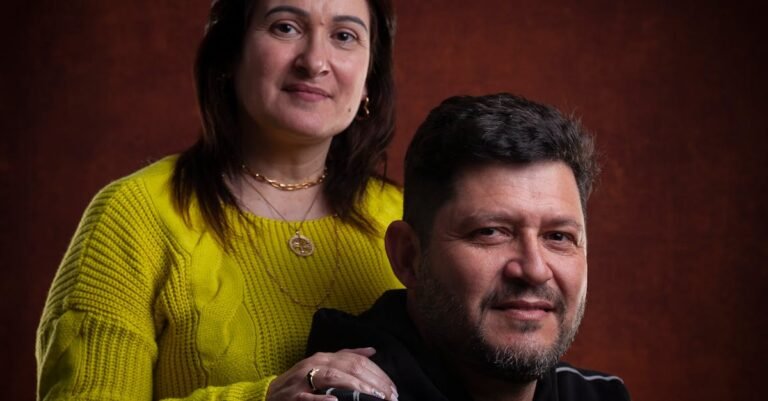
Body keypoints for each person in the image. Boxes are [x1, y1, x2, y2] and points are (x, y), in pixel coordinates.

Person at [36, 1, 403, 400]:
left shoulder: (403, 219)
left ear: (368, 78)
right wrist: (261, 398)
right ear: (229, 53)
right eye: (285, 28)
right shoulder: (132, 215)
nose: (314, 61)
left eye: (344, 36)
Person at [306, 93, 632, 401]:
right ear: (409, 257)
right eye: (490, 232)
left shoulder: (599, 394)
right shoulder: (345, 389)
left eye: (558, 237)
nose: (534, 269)